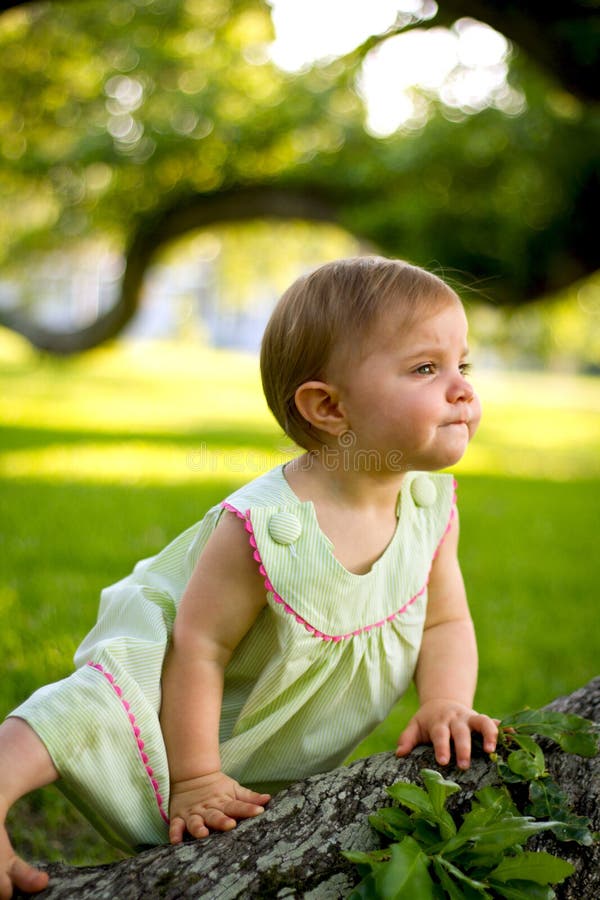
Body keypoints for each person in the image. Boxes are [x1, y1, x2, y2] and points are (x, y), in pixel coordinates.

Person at [0, 256, 498, 898]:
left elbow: (445, 620)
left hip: (269, 747)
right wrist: (196, 777)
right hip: (173, 701)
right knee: (87, 709)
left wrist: (444, 702)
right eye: (427, 368)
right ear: (329, 406)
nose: (462, 390)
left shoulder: (429, 509)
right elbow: (199, 647)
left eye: (464, 366)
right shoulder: (265, 526)